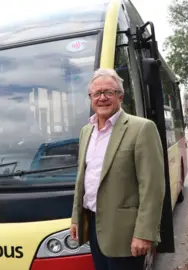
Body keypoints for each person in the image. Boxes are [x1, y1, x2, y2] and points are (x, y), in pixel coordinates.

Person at [69, 68, 165, 270]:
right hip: (94, 226)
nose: (102, 98)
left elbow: (152, 187)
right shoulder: (86, 131)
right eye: (97, 93)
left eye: (108, 92)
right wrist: (76, 219)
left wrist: (144, 233)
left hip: (126, 233)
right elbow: (84, 179)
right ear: (90, 98)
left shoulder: (142, 128)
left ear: (120, 96)